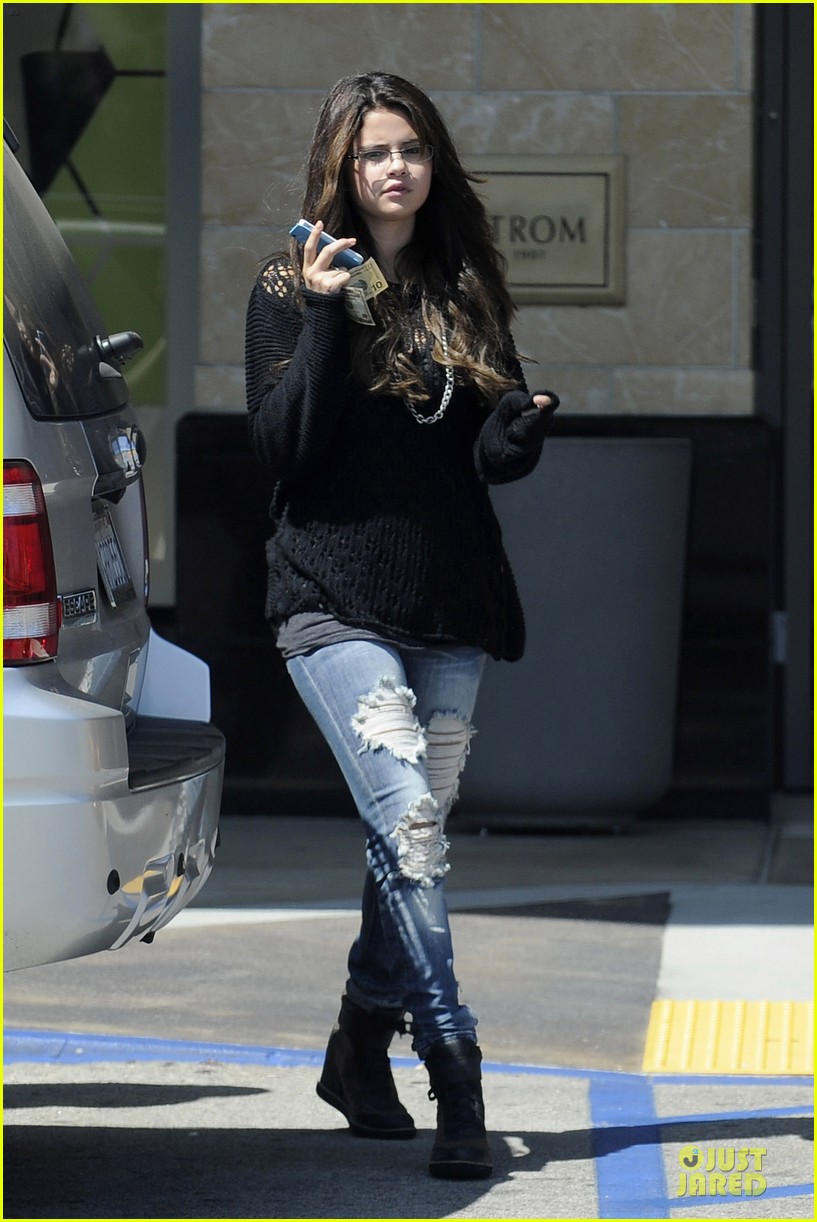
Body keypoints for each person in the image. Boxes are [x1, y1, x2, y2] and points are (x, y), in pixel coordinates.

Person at [245, 71, 558, 1181]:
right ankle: (455, 1066)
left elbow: (479, 452)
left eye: (412, 149)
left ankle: (356, 1045)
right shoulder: (289, 283)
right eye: (374, 151)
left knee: (405, 835)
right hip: (330, 596)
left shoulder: (463, 281)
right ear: (340, 166)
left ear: (434, 164)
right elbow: (283, 450)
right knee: (412, 826)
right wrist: (326, 315)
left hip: (449, 602)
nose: (395, 169)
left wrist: (514, 436)